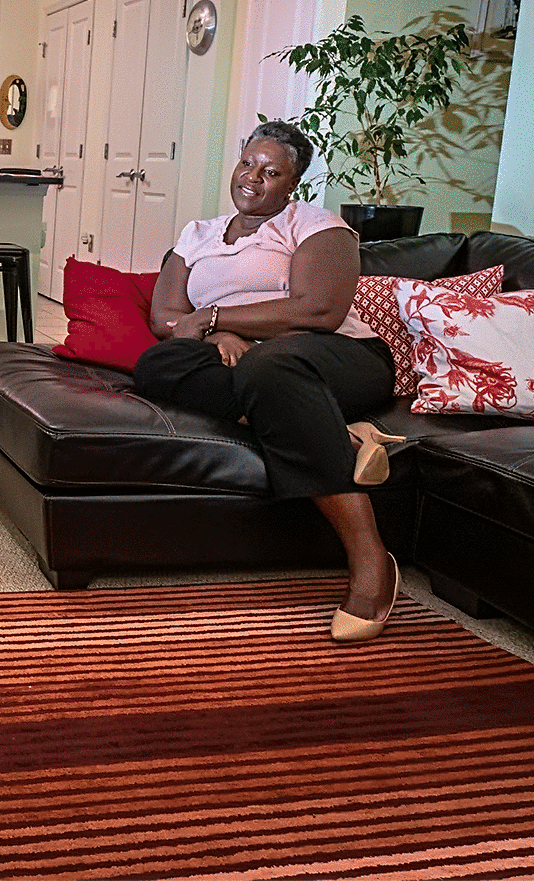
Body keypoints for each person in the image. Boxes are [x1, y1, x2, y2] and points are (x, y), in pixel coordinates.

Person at [132, 120, 402, 642]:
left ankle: (371, 560)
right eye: (247, 163)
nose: (252, 178)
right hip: (237, 358)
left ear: (293, 183)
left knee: (269, 367)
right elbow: (166, 317)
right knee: (156, 365)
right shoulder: (198, 234)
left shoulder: (317, 225)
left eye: (271, 172)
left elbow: (319, 310)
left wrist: (217, 318)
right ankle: (341, 434)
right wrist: (217, 335)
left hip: (338, 356)